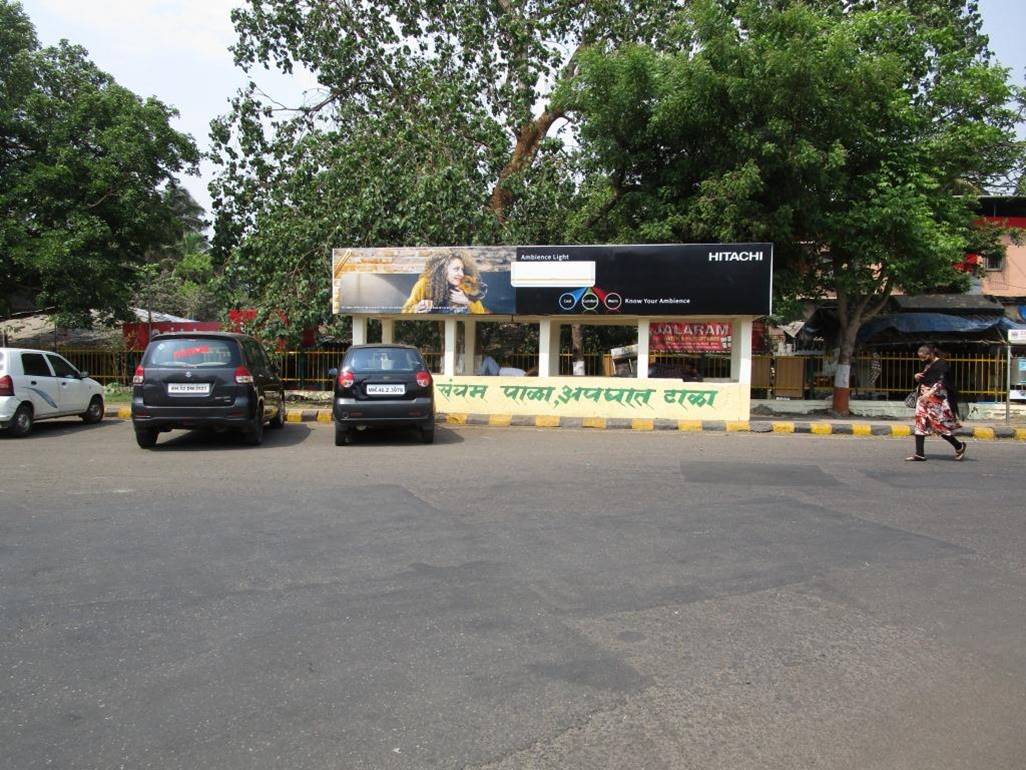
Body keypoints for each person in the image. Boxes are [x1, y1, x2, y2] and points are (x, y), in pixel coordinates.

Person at [906, 343, 966, 461]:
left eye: (924, 357)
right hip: (923, 398)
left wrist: (929, 393)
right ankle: (919, 453)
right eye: (920, 357)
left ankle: (959, 446)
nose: (922, 359)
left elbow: (941, 382)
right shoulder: (928, 364)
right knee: (920, 422)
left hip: (935, 400)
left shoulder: (942, 364)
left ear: (931, 354)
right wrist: (917, 376)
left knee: (939, 426)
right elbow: (926, 377)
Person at [402, 253, 488, 314]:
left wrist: (467, 302)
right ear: (443, 270)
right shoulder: (424, 284)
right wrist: (418, 308)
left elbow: (481, 313)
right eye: (456, 269)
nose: (461, 274)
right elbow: (405, 310)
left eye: (462, 269)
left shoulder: (461, 284)